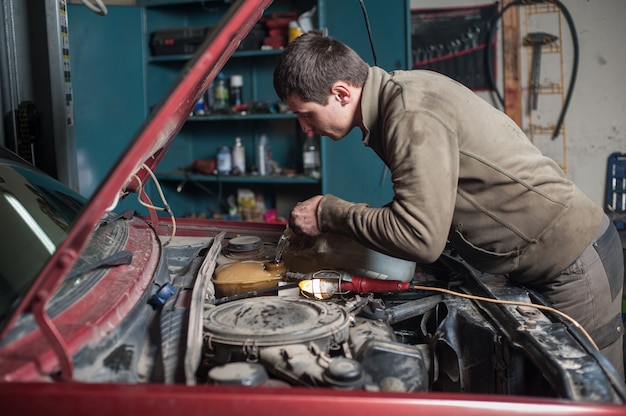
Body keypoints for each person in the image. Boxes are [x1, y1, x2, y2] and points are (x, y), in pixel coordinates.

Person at [273, 30, 624, 378]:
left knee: (586, 391)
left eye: (306, 114)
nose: (305, 128)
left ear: (340, 93)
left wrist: (328, 212)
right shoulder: (397, 99)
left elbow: (419, 237)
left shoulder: (410, 112)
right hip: (534, 261)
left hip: (573, 263)